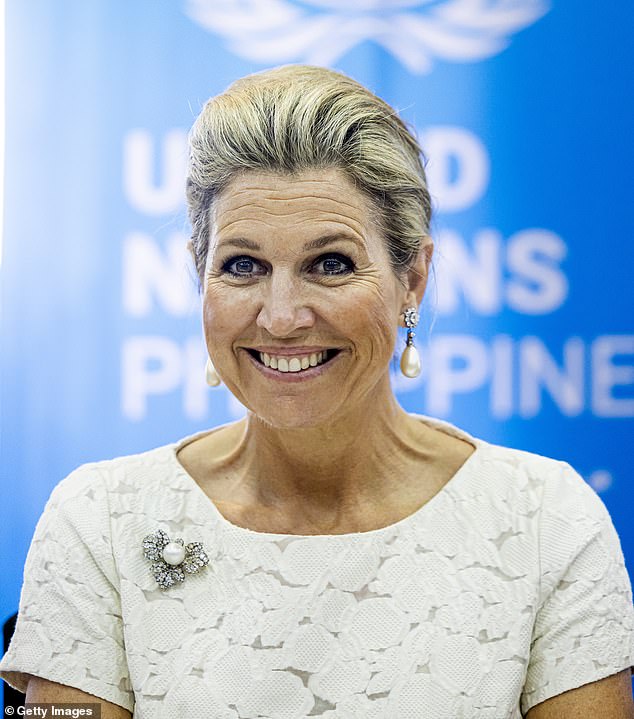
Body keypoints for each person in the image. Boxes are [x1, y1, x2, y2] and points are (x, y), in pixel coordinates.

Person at [1, 65, 632, 719]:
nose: (280, 315)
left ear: (412, 279)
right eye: (242, 265)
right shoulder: (98, 520)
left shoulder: (546, 521)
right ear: (199, 275)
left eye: (329, 264)